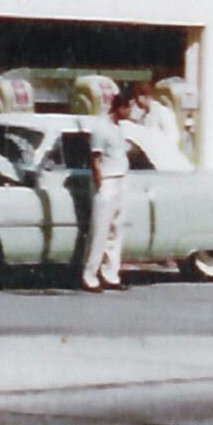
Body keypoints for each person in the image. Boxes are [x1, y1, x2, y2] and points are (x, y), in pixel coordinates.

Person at [81, 94, 131, 292]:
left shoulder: (118, 128)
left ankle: (111, 273)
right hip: (108, 181)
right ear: (119, 107)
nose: (130, 113)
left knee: (116, 230)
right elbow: (95, 158)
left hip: (120, 179)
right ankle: (89, 275)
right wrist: (100, 183)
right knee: (100, 231)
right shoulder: (101, 128)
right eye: (128, 108)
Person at [127, 80, 179, 148]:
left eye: (137, 98)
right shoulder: (143, 117)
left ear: (146, 96)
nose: (136, 101)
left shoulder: (162, 112)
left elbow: (173, 136)